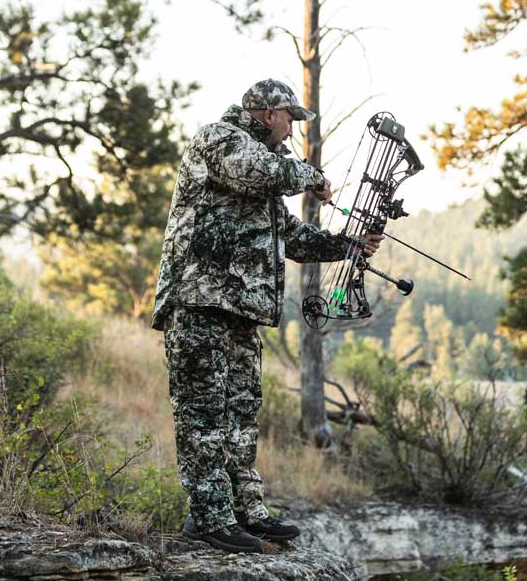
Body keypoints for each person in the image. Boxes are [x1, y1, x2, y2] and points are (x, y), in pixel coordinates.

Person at [151, 78, 383, 553]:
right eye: (290, 119)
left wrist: (349, 245)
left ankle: (244, 512)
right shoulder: (221, 140)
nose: (292, 129)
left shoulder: (265, 176)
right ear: (270, 114)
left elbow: (293, 238)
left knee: (239, 414)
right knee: (203, 414)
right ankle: (209, 517)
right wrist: (314, 178)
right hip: (199, 303)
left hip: (239, 313)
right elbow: (263, 172)